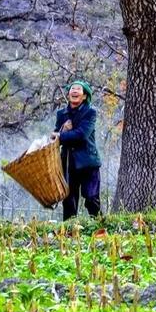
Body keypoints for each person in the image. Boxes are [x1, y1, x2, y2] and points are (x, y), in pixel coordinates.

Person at [52, 79, 102, 221]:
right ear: (68, 94)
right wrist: (61, 131)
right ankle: (69, 234)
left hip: (88, 162)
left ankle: (99, 227)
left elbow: (81, 135)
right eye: (72, 89)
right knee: (68, 201)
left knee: (92, 198)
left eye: (78, 89)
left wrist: (62, 135)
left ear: (84, 96)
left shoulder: (90, 112)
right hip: (68, 162)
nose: (74, 91)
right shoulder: (62, 114)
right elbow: (56, 135)